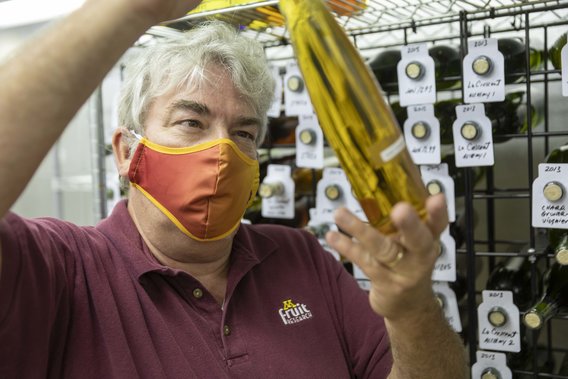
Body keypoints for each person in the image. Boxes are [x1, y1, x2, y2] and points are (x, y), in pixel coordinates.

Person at [0, 0, 467, 377]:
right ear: (127, 153)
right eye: (191, 121)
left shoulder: (299, 258)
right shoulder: (60, 270)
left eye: (243, 133)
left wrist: (412, 310)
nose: (222, 150)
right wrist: (134, 8)